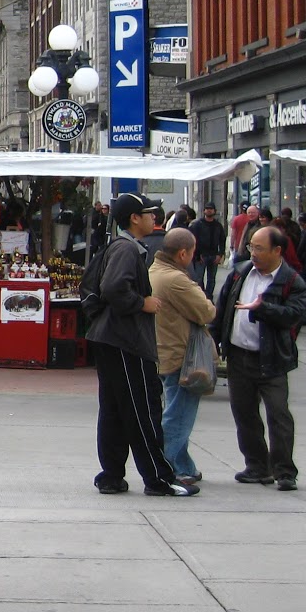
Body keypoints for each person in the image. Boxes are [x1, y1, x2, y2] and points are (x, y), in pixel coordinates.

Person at [89, 192, 196, 497]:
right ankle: (159, 478)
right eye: (149, 213)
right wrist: (142, 303)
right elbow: (113, 287)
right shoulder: (126, 249)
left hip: (110, 338)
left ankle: (111, 475)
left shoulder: (122, 246)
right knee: (142, 409)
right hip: (126, 341)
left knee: (114, 409)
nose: (154, 218)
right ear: (134, 218)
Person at [214, 225, 306, 491]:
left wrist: (263, 309)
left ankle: (284, 471)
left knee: (278, 414)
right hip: (238, 355)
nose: (252, 252)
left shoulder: (291, 281)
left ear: (277, 251)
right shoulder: (240, 273)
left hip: (272, 358)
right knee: (244, 414)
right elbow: (223, 309)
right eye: (251, 246)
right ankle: (257, 465)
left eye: (259, 248)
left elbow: (294, 315)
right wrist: (215, 337)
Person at [151, 227, 216, 487]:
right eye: (192, 252)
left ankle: (183, 465)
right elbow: (206, 311)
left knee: (177, 409)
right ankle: (166, 466)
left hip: (165, 350)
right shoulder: (176, 279)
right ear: (183, 253)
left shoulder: (155, 271)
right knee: (179, 414)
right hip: (182, 355)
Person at [191, 203, 227, 296]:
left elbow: (222, 240)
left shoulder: (218, 225)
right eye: (207, 209)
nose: (209, 210)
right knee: (199, 278)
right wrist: (198, 255)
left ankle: (209, 296)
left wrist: (220, 254)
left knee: (212, 278)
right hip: (201, 255)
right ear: (204, 211)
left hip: (214, 255)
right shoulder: (198, 225)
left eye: (211, 209)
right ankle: (201, 296)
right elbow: (194, 240)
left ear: (214, 211)